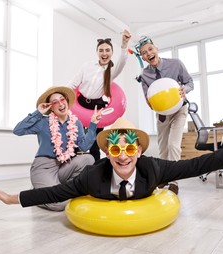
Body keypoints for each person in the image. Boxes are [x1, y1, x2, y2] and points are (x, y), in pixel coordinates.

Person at [0, 114, 223, 208]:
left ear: (139, 151)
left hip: (149, 185)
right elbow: (56, 192)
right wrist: (12, 198)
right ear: (106, 153)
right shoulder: (92, 177)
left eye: (129, 149)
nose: (123, 156)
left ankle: (165, 189)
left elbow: (195, 166)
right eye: (115, 151)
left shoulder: (152, 167)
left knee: (173, 178)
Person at [12, 86, 102, 211]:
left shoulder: (76, 123)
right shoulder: (42, 122)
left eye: (62, 99)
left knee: (88, 158)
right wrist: (38, 113)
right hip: (44, 167)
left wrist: (93, 125)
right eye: (55, 102)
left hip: (64, 166)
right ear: (50, 107)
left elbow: (83, 146)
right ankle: (37, 194)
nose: (60, 103)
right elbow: (18, 130)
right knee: (59, 204)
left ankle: (61, 190)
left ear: (66, 101)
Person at [66, 29, 131, 162]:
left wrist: (124, 45)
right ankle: (71, 167)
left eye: (107, 50)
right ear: (97, 52)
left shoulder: (112, 71)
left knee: (94, 141)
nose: (104, 53)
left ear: (112, 53)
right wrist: (61, 96)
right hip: (80, 103)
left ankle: (95, 169)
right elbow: (73, 84)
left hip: (96, 107)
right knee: (74, 136)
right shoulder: (87, 66)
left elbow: (122, 61)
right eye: (101, 50)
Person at [135, 36, 194, 162]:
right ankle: (164, 177)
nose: (149, 54)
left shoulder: (175, 64)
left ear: (156, 49)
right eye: (144, 53)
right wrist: (150, 102)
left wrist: (185, 89)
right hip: (162, 114)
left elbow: (190, 82)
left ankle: (174, 181)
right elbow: (148, 99)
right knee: (163, 149)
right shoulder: (144, 75)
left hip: (179, 110)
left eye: (150, 49)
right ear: (143, 57)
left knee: (173, 145)